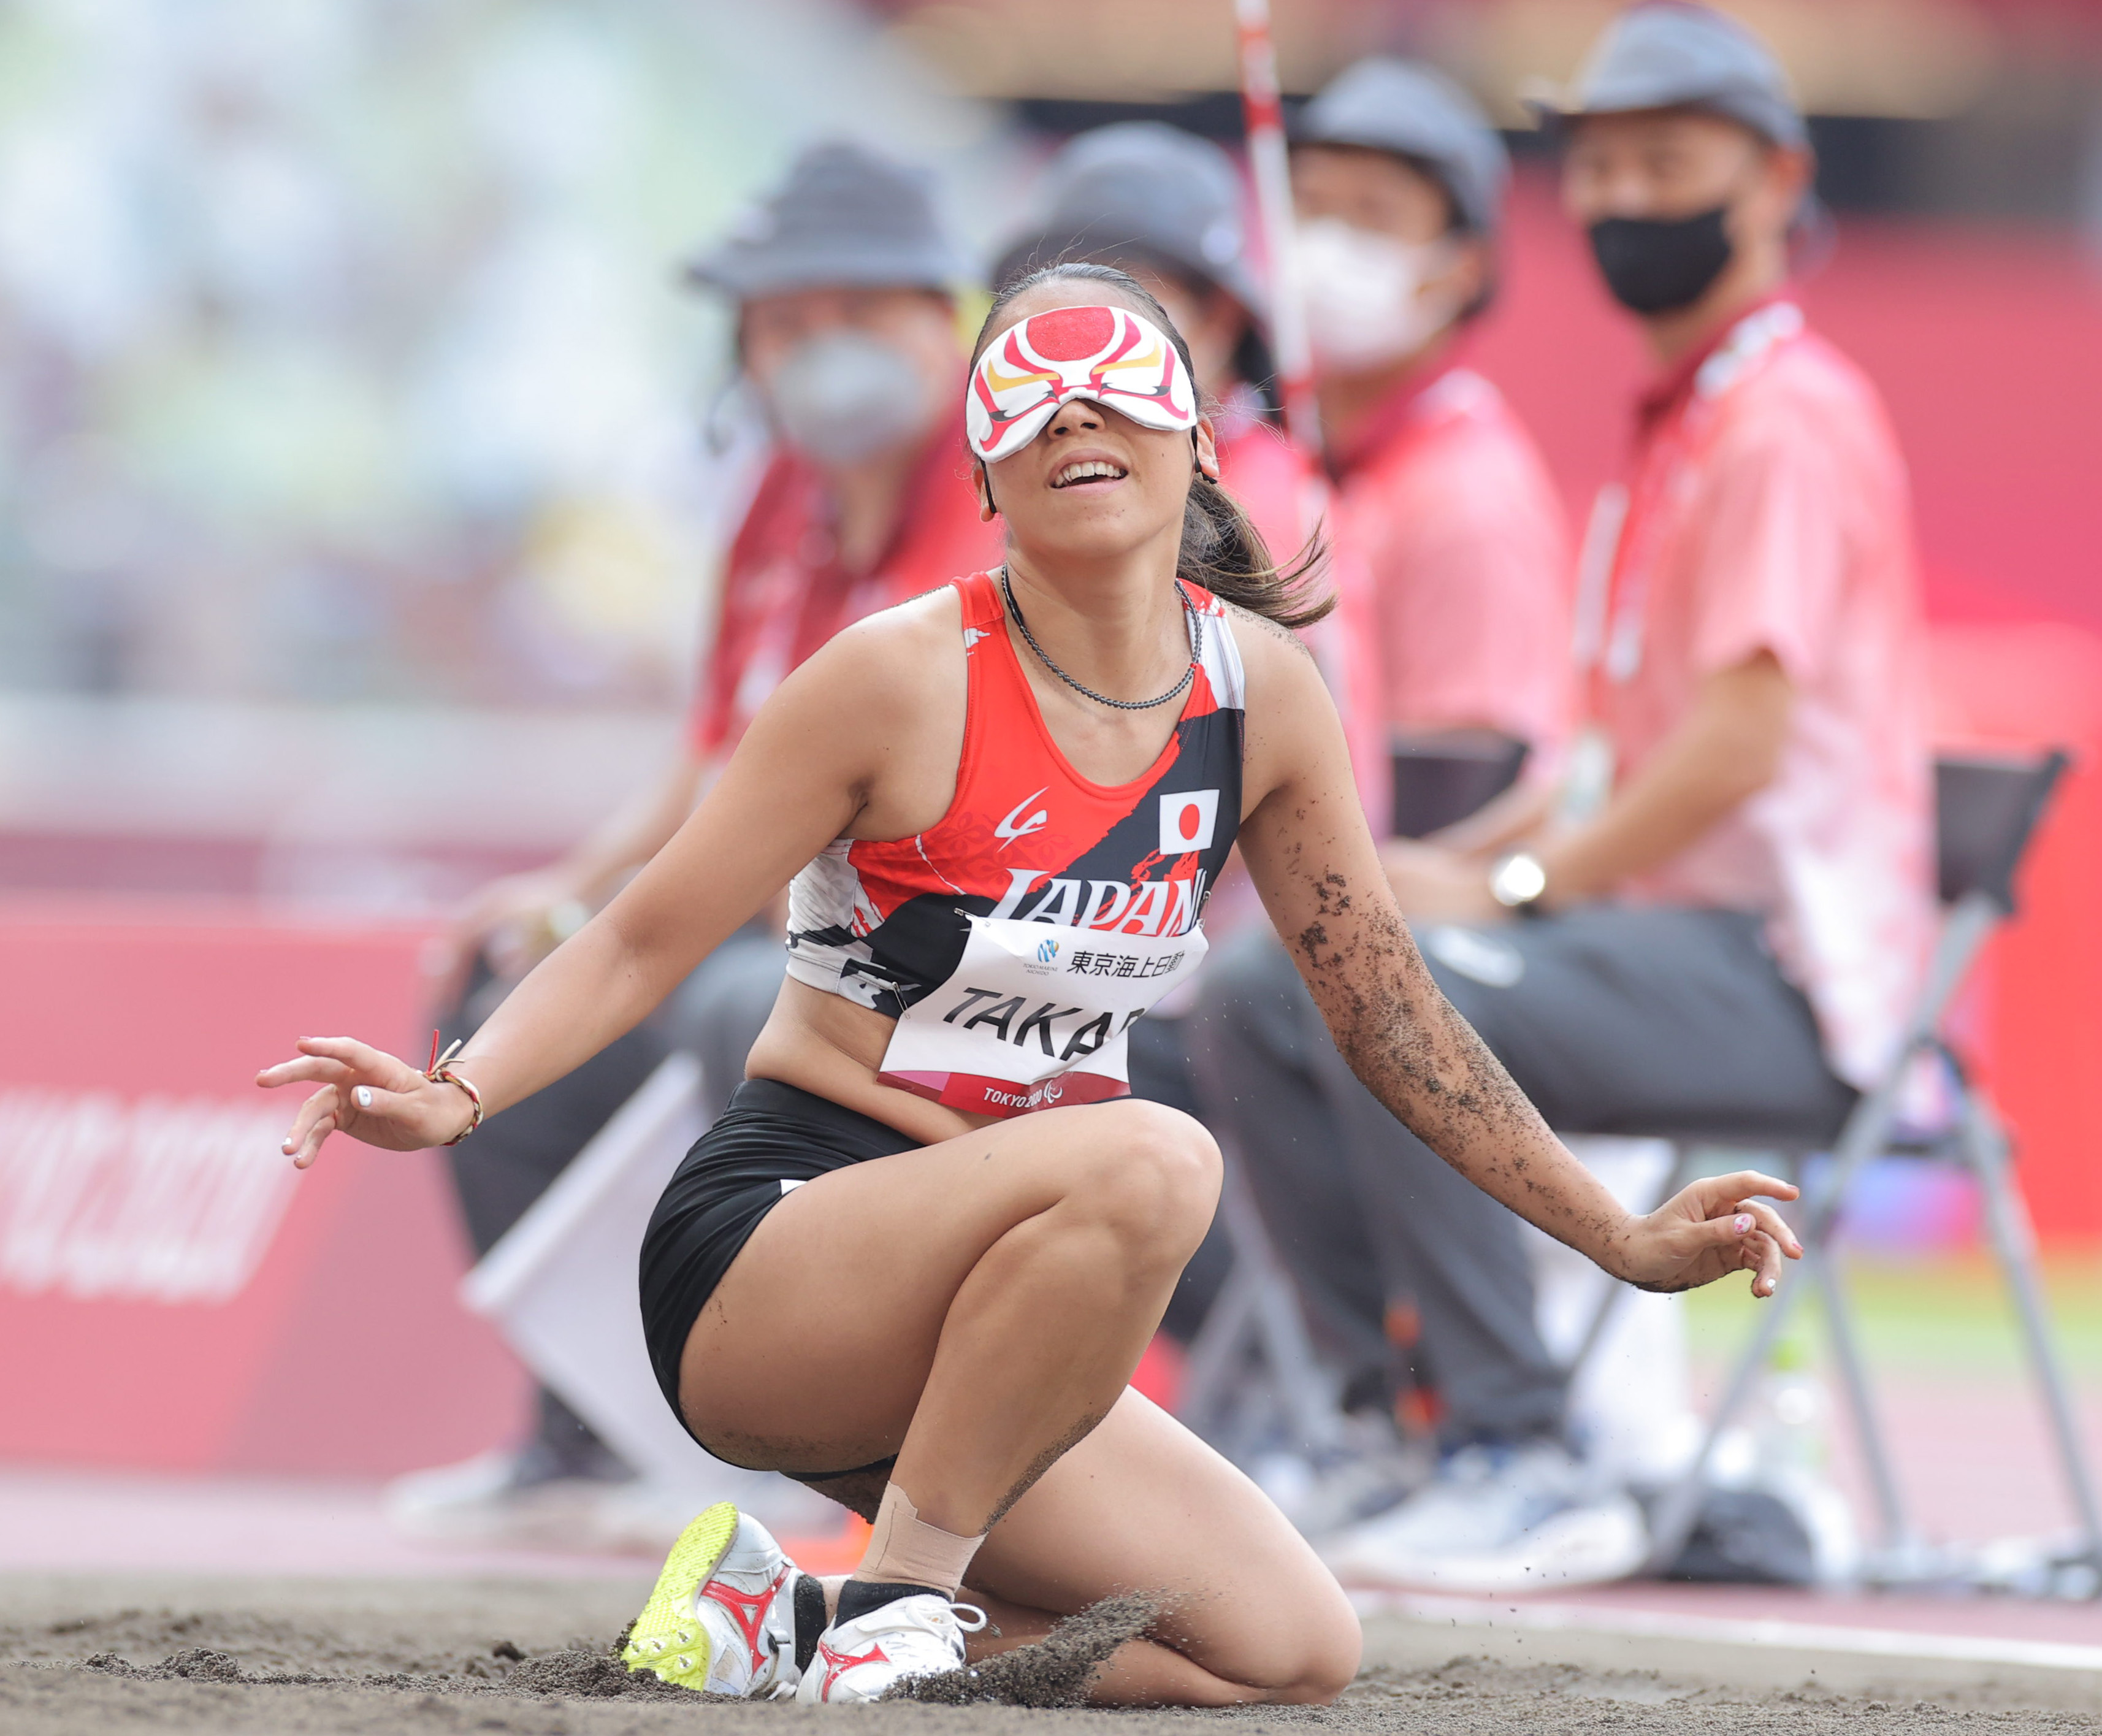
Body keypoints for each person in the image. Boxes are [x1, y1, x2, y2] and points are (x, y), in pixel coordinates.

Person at [259, 261, 1800, 1706]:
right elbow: (642, 939)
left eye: (1114, 392)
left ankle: (773, 1618)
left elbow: (1392, 1022)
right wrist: (455, 1089)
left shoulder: (1262, 696)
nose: (1072, 417)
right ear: (986, 479)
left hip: (1009, 1316)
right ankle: (896, 1599)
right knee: (1154, 1152)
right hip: (782, 1259)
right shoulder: (893, 677)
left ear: (1194, 442)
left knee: (1285, 1652)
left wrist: (1616, 1235)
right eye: (1029, 402)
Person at [1301, 4, 1932, 1590]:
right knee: (1292, 966)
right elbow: (1604, 757)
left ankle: (1522, 1444)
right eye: (1594, 166)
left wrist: (1514, 896)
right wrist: (1429, 872)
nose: (1620, 196)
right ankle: (1378, 1424)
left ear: (1778, 181)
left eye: (1664, 161)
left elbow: (1728, 749)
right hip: (1662, 949)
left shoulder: (1780, 418)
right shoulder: (1678, 423)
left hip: (1776, 978)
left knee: (1397, 983)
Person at [392, 140, 1003, 1539]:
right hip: (756, 901)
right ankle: (594, 1436)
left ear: (944, 320)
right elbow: (715, 757)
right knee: (497, 1004)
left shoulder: (989, 504)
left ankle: (808, 1436)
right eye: (786, 325)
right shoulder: (780, 499)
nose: (819, 351)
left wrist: (649, 915)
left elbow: (879, 795)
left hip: (912, 939)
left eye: (858, 315)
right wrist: (565, 893)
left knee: (731, 1005)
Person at [1187, 59, 1580, 1535]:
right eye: (1312, 208)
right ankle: (1339, 1409)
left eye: (1375, 214)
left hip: (1463, 916)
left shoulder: (1458, 488)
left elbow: (1456, 789)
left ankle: (1484, 1431)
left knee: (1301, 983)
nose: (1329, 243)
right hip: (1304, 926)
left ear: (1460, 263)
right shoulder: (1320, 477)